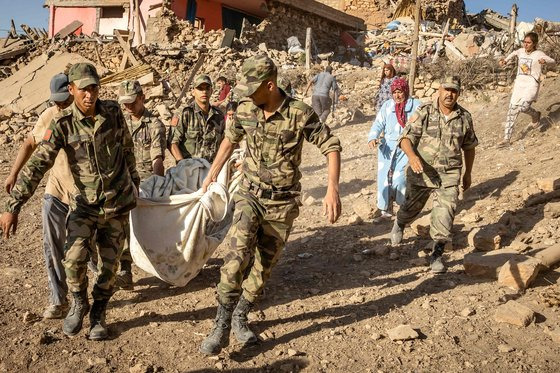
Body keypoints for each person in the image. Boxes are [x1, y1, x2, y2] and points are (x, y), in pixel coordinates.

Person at [199, 55, 342, 356]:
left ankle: (241, 312)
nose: (247, 95)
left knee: (264, 267)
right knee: (236, 256)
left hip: (282, 203)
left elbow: (331, 146)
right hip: (249, 195)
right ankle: (222, 323)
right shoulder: (245, 109)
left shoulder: (300, 114)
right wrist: (212, 174)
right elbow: (229, 140)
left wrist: (332, 189)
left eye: (252, 89)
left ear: (270, 85)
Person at [0, 63, 140, 341]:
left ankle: (98, 313)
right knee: (74, 261)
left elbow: (126, 147)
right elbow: (38, 164)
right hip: (84, 206)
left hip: (115, 205)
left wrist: (134, 180)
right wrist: (12, 206)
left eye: (94, 88)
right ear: (71, 89)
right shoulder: (62, 125)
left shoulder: (112, 113)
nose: (89, 95)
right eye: (83, 89)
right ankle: (78, 302)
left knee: (109, 269)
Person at [3, 73, 74, 319]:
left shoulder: (89, 116)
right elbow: (30, 145)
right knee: (52, 246)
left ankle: (94, 289)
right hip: (56, 190)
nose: (61, 105)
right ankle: (59, 300)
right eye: (57, 101)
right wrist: (14, 173)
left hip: (85, 196)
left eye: (65, 100)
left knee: (87, 248)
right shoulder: (49, 116)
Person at [390, 76, 477, 274]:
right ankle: (400, 223)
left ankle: (436, 255)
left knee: (445, 213)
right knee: (412, 207)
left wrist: (468, 173)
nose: (449, 94)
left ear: (459, 93)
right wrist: (412, 157)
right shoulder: (425, 111)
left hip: (449, 174)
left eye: (454, 91)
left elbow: (469, 147)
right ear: (439, 90)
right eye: (446, 89)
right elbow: (405, 138)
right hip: (422, 171)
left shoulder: (464, 117)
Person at [116, 79, 166, 289]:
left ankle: (163, 267)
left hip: (145, 183)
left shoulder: (154, 124)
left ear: (142, 98)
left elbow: (157, 158)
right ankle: (125, 270)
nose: (128, 107)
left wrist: (155, 186)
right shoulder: (119, 124)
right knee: (122, 227)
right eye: (124, 103)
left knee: (153, 229)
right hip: (123, 183)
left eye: (132, 102)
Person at [367, 78, 421, 220]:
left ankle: (405, 210)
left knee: (400, 179)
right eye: (395, 92)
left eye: (400, 92)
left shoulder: (416, 105)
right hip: (387, 149)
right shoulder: (387, 106)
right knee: (385, 180)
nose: (397, 95)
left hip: (406, 148)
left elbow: (425, 121)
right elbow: (378, 123)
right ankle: (386, 211)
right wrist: (373, 137)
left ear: (405, 91)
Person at [498, 32, 555, 146]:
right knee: (512, 110)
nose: (526, 44)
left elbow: (552, 61)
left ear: (534, 44)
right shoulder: (520, 51)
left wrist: (545, 62)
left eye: (529, 43)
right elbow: (512, 55)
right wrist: (505, 61)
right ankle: (506, 139)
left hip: (531, 84)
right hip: (519, 84)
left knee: (523, 107)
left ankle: (535, 115)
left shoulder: (539, 54)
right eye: (525, 42)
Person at [170, 74, 225, 163]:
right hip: (189, 169)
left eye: (207, 88)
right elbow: (172, 142)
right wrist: (182, 164)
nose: (204, 92)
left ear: (211, 90)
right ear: (193, 92)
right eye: (200, 88)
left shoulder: (218, 115)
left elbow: (224, 142)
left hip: (211, 169)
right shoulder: (185, 113)